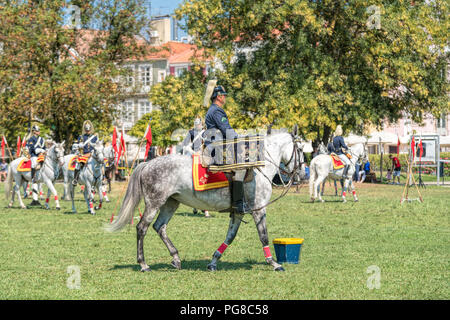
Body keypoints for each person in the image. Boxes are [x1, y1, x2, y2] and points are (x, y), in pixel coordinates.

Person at [204, 85, 250, 214]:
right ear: (219, 97)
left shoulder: (212, 110)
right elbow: (226, 130)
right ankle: (237, 204)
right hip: (217, 148)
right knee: (241, 167)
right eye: (224, 95)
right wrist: (239, 138)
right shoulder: (217, 111)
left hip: (215, 145)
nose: (225, 98)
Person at [182, 117, 211, 218]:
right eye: (195, 123)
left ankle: (205, 209)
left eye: (198, 123)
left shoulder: (205, 132)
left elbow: (209, 145)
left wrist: (203, 152)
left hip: (203, 157)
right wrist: (193, 152)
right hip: (193, 157)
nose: (196, 125)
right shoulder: (191, 132)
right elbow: (185, 145)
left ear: (201, 124)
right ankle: (196, 205)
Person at [72, 120, 98, 185]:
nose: (88, 131)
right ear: (85, 129)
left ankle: (103, 178)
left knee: (102, 163)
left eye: (89, 130)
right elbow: (76, 146)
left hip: (93, 154)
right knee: (78, 164)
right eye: (86, 130)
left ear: (91, 129)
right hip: (84, 154)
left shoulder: (95, 137)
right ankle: (75, 179)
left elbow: (97, 146)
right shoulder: (81, 137)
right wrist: (78, 146)